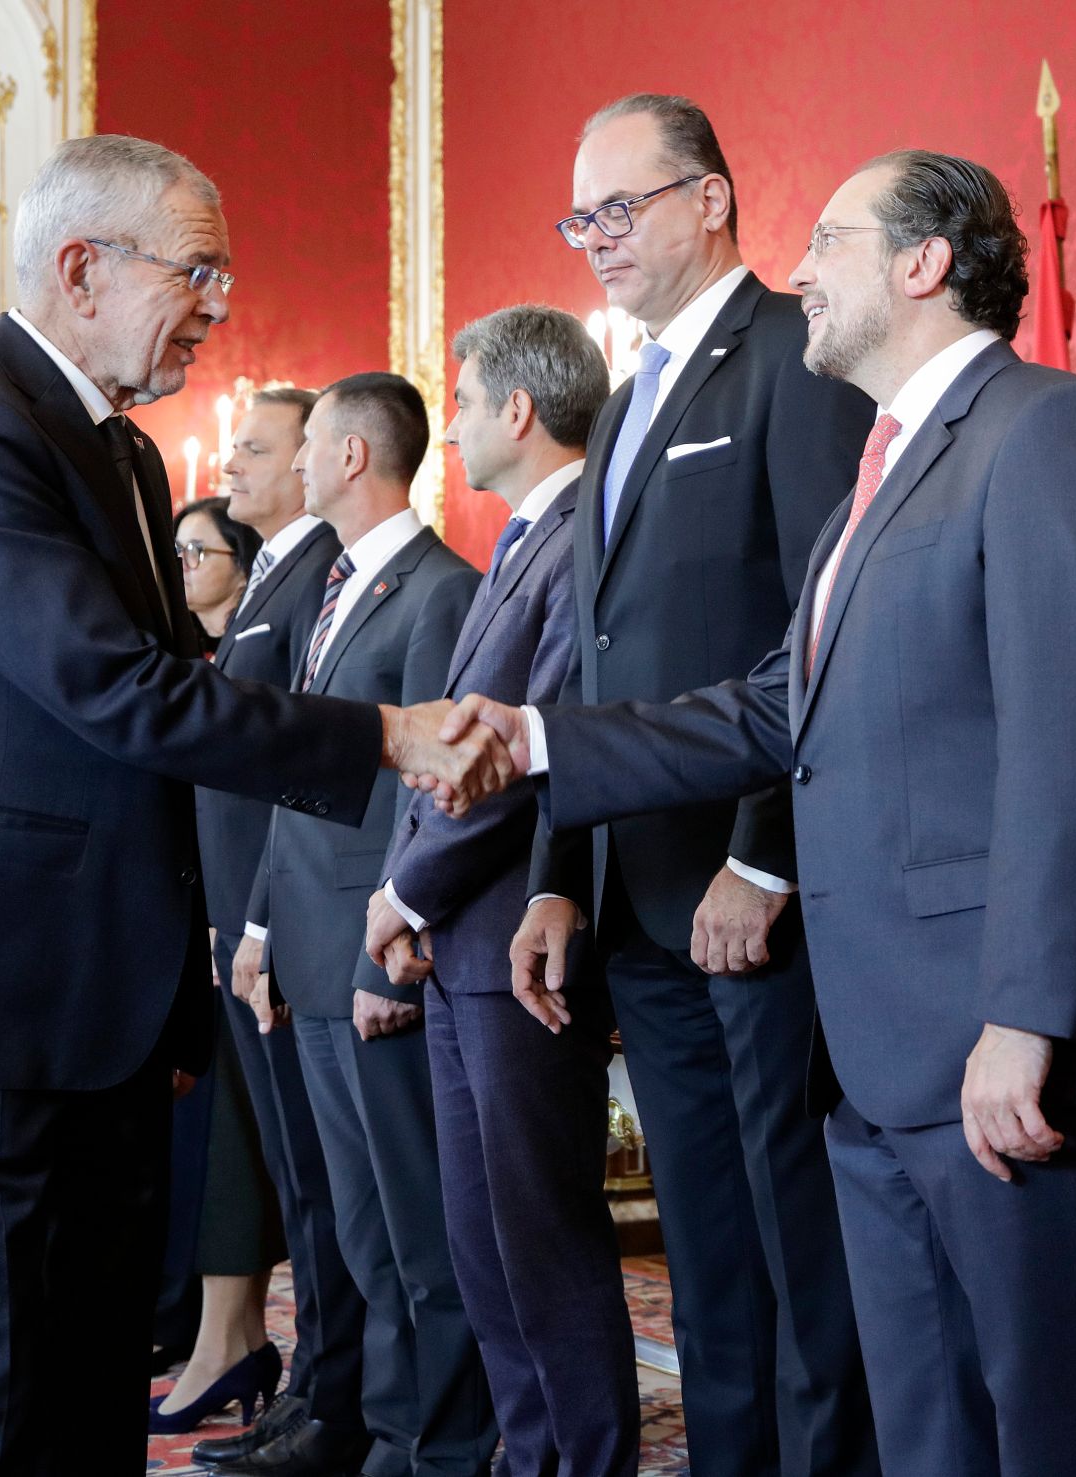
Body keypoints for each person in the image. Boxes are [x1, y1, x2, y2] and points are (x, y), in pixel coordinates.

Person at [430, 148, 1076, 1477]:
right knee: (927, 1439)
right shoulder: (878, 474)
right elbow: (769, 709)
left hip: (1004, 1054)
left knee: (1060, 1435)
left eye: (830, 242)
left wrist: (1024, 1020)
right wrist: (539, 739)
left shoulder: (1045, 429)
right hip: (870, 1056)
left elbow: (1067, 751)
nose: (797, 271)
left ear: (922, 263)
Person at [0, 134, 509, 1477]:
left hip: (97, 1014)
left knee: (85, 1408)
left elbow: (173, 691)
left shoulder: (122, 456)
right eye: (198, 271)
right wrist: (385, 733)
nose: (218, 306)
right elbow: (121, 692)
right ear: (82, 267)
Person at [522, 93, 878, 1477]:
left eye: (621, 207)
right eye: (582, 218)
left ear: (712, 199)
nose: (597, 238)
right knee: (706, 1257)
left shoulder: (795, 352)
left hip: (752, 901)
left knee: (800, 1249)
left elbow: (819, 628)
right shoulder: (622, 402)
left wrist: (762, 854)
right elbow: (589, 662)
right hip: (637, 899)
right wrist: (560, 873)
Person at [368, 305, 640, 1476]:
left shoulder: (579, 536)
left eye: (464, 403)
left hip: (518, 944)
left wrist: (404, 893)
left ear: (518, 410)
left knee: (539, 1239)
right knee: (484, 1245)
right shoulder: (523, 538)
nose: (451, 429)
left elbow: (523, 758)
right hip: (463, 949)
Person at [232, 373, 490, 1477]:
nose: (293, 465)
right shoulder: (335, 587)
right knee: (361, 1226)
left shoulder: (442, 591)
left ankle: (443, 1442)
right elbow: (300, 779)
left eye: (308, 448)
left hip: (376, 956)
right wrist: (261, 926)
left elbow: (438, 793)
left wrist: (393, 956)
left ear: (349, 456)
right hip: (310, 944)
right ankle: (392, 1427)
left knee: (416, 1223)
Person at [189, 389, 370, 1471]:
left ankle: (337, 1392)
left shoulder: (318, 577)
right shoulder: (274, 573)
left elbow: (304, 767)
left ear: (314, 458)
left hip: (287, 920)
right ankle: (313, 1379)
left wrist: (262, 919)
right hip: (244, 918)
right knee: (295, 1176)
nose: (230, 466)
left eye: (253, 449)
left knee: (321, 1173)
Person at [151, 491, 283, 1427]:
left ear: (242, 564)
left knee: (237, 1140)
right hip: (206, 927)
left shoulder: (261, 641)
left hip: (252, 926)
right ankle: (208, 1331)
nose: (182, 566)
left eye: (198, 551)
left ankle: (229, 1339)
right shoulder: (191, 657)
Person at [174, 495, 260, 654]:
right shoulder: (176, 645)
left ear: (242, 565)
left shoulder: (253, 648)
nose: (180, 562)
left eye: (194, 550)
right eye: (177, 549)